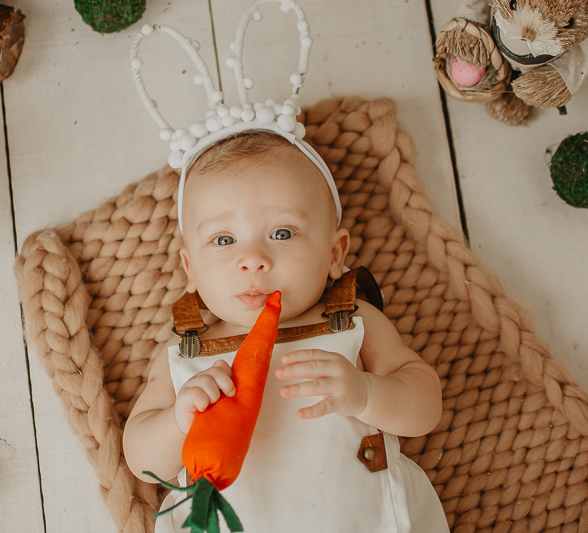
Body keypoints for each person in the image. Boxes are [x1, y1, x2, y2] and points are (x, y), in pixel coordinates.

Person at [123, 130, 450, 532]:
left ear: (334, 254)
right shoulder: (190, 351)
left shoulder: (350, 320)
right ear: (190, 269)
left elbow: (425, 406)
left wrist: (367, 392)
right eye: (224, 239)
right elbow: (141, 461)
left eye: (282, 233)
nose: (253, 259)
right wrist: (177, 422)